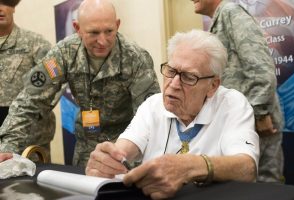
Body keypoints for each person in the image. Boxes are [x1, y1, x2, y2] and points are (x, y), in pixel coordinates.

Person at [86, 30, 259, 199]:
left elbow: (246, 168)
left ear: (213, 85)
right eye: (171, 71)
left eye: (189, 77)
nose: (174, 84)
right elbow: (123, 150)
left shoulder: (232, 104)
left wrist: (190, 166)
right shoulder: (152, 105)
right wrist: (107, 160)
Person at [0, 0, 160, 167]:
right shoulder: (64, 55)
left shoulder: (135, 59)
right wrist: (8, 146)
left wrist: (128, 155)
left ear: (118, 25)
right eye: (93, 33)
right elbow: (30, 100)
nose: (103, 41)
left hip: (125, 148)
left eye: (109, 31)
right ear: (77, 29)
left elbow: (149, 115)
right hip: (86, 149)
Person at [190, 0, 284, 183]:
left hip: (257, 123)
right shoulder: (220, 19)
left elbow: (262, 68)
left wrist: (259, 113)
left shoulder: (232, 13)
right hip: (242, 122)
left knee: (266, 188)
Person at [0, 0, 55, 159]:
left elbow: (56, 77)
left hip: (30, 136)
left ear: (14, 7)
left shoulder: (36, 44)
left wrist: (38, 110)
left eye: (5, 3)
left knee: (31, 181)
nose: (0, 9)